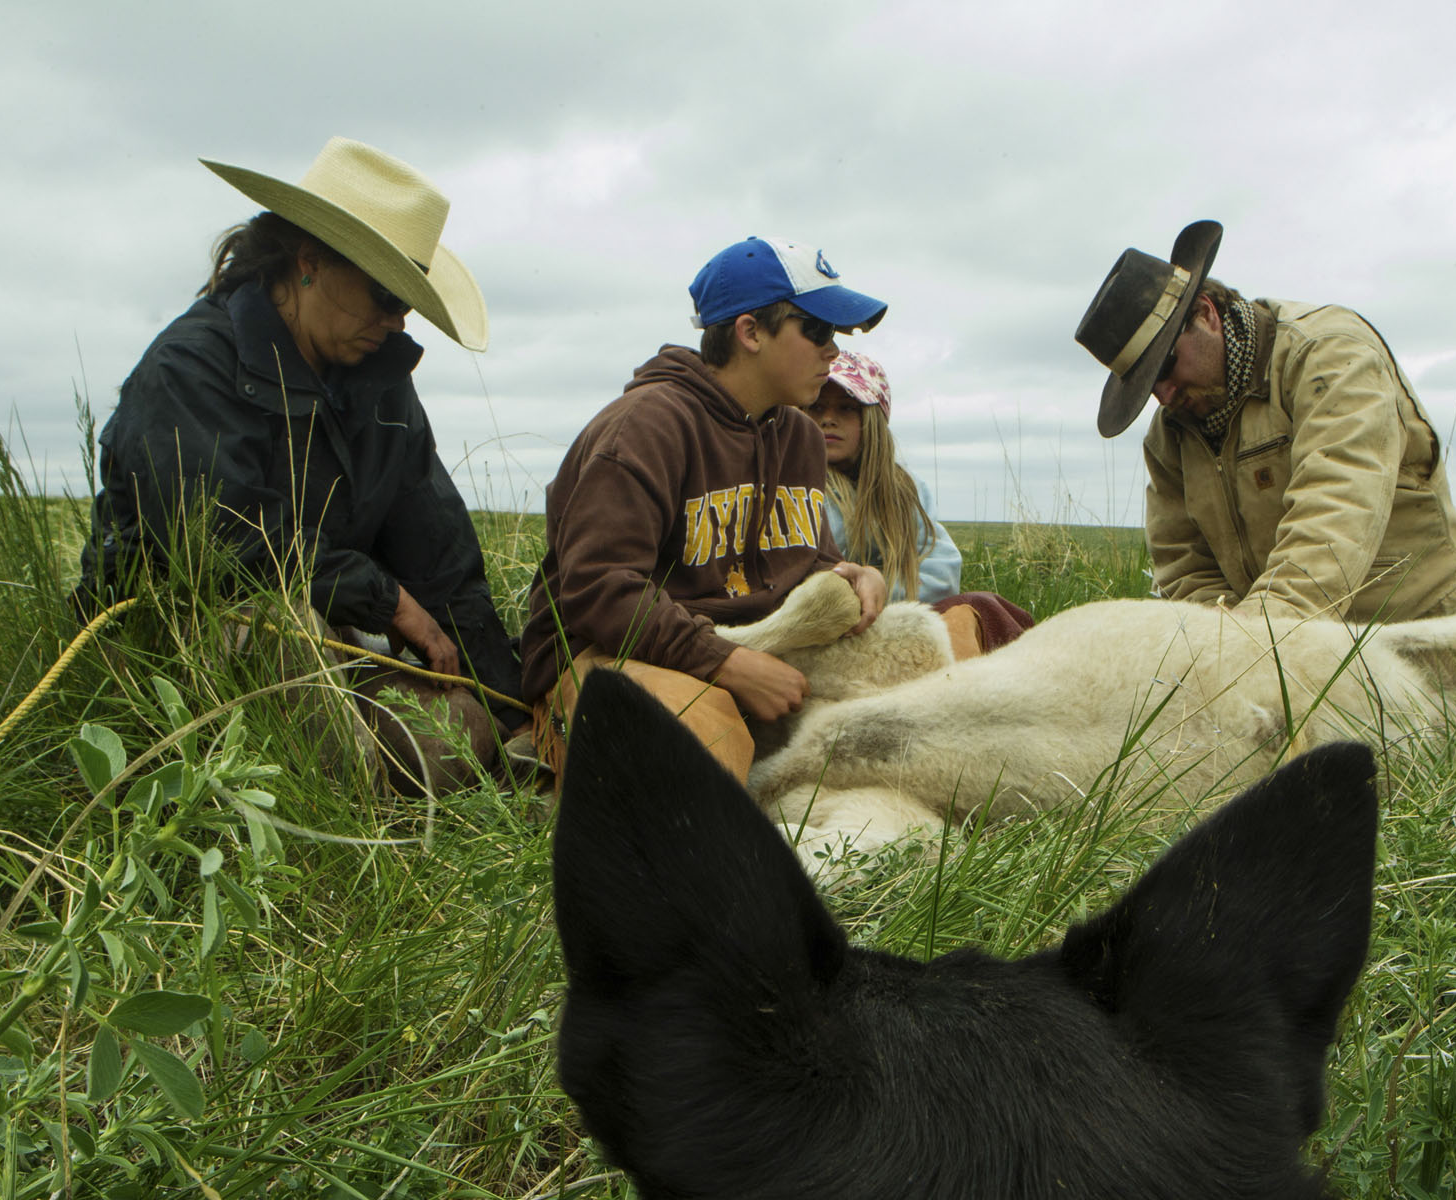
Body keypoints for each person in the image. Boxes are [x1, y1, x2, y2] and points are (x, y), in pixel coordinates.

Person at [77, 136, 525, 790]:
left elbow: (443, 562)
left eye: (407, 303)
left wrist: (511, 714)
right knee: (280, 630)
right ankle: (350, 809)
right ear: (309, 262)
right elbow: (223, 542)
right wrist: (385, 599)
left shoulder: (383, 386)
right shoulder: (188, 368)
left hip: (332, 638)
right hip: (178, 644)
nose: (397, 323)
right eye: (385, 295)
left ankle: (373, 787)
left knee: (459, 728)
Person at [521, 237, 890, 781]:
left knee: (935, 653)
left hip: (757, 643)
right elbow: (599, 588)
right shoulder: (645, 427)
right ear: (750, 332)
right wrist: (725, 663)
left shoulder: (799, 436)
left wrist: (850, 575)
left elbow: (804, 561)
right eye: (817, 330)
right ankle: (552, 750)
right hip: (617, 651)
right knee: (698, 733)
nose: (833, 351)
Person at [1075, 220, 1456, 624]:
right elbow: (1184, 568)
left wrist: (1257, 638)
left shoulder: (1329, 357)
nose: (1164, 396)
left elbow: (1336, 511)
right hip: (1281, 639)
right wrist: (1219, 638)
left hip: (1413, 627)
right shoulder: (1170, 435)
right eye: (1146, 385)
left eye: (1165, 366)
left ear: (1205, 315)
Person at [809, 349, 1034, 655]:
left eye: (847, 408)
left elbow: (942, 570)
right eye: (817, 406)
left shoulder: (904, 489)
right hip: (822, 628)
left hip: (892, 619)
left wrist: (881, 589)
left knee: (982, 607)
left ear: (872, 419)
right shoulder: (795, 487)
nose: (828, 419)